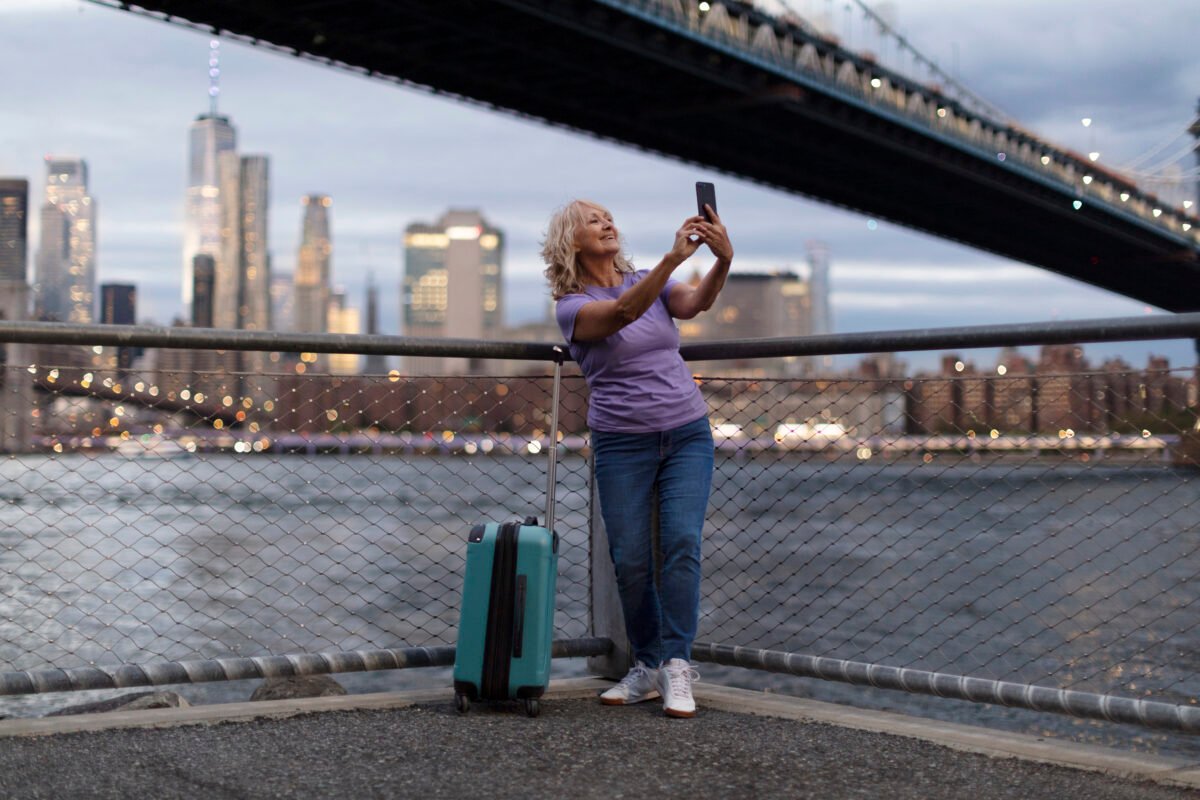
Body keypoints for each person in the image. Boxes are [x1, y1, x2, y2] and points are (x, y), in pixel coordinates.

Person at [543, 198, 733, 717]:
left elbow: (695, 304)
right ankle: (646, 664)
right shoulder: (570, 306)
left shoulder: (648, 279)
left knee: (681, 543)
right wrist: (673, 259)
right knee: (630, 559)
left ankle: (676, 663)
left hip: (687, 433)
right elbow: (622, 314)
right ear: (571, 241)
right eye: (593, 220)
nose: (607, 223)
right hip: (622, 443)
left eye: (608, 217)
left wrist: (722, 260)